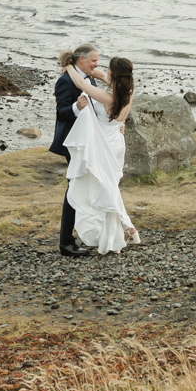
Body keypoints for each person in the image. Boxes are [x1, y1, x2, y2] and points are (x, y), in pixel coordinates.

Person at [63, 55, 140, 254]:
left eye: (108, 70)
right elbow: (99, 75)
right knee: (109, 185)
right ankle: (126, 226)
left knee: (105, 187)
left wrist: (69, 66)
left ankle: (126, 224)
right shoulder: (127, 91)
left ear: (114, 74)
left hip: (103, 143)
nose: (105, 72)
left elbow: (81, 83)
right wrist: (91, 70)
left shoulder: (109, 97)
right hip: (115, 141)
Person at [50, 43, 101, 257]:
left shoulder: (88, 78)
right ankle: (66, 243)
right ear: (81, 60)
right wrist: (75, 107)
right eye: (94, 61)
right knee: (74, 188)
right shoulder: (64, 81)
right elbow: (61, 113)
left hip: (87, 141)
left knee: (86, 186)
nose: (96, 65)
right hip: (73, 143)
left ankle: (87, 232)